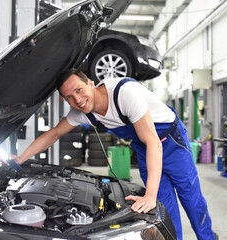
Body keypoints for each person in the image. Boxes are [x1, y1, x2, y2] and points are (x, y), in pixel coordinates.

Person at [13, 68, 216, 240]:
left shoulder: (124, 93)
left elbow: (154, 141)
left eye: (79, 90)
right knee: (164, 205)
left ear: (91, 83)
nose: (78, 100)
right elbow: (54, 133)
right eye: (70, 97)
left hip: (170, 140)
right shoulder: (83, 112)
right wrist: (20, 159)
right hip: (144, 147)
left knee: (190, 197)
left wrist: (149, 195)